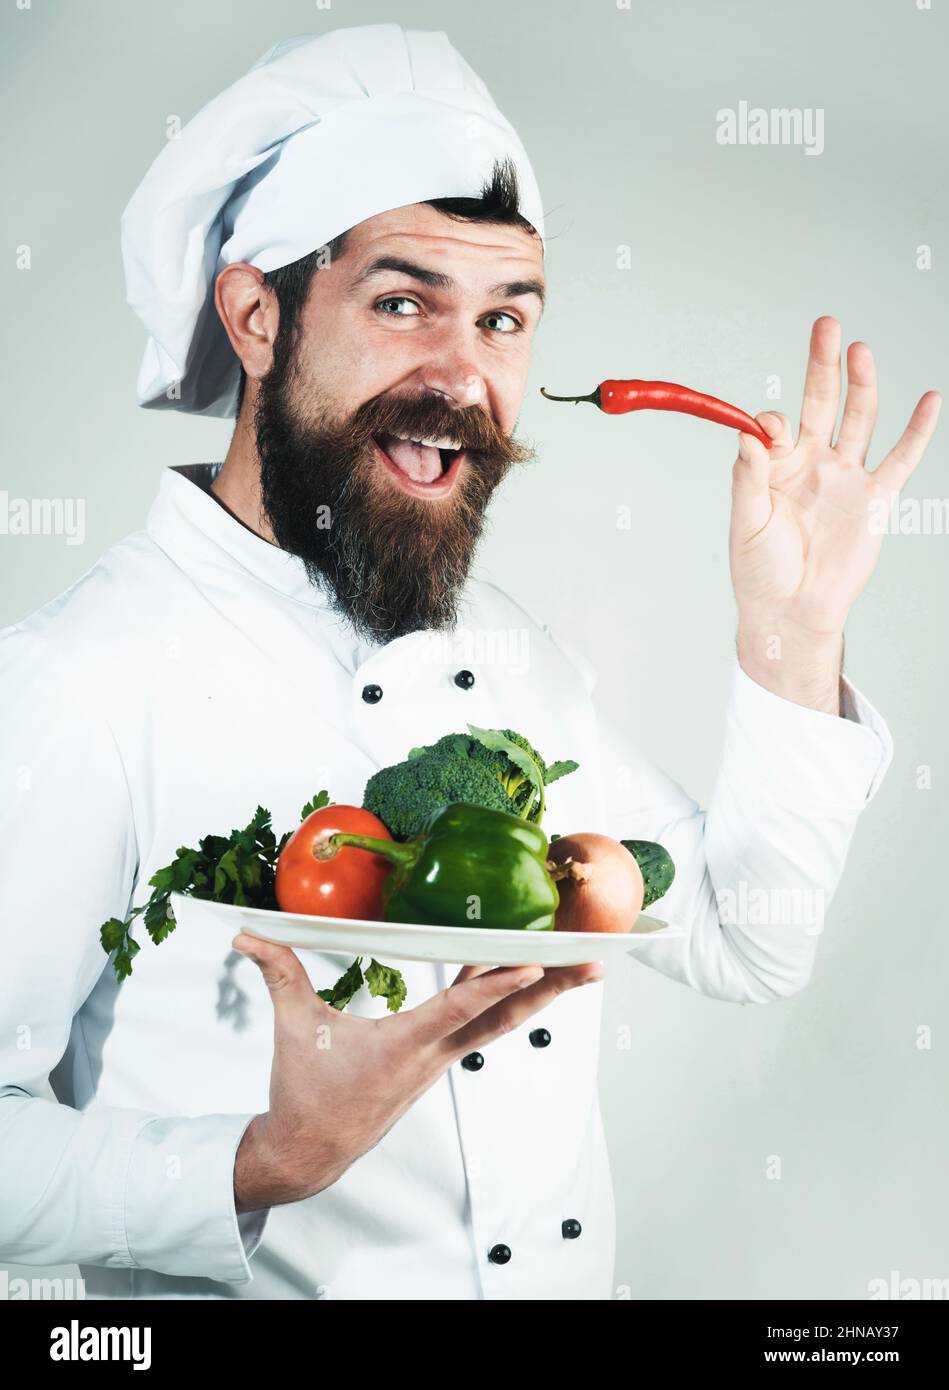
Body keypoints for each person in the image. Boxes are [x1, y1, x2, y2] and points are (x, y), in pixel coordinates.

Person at [0, 23, 939, 1301]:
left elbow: (741, 939)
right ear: (256, 313)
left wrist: (793, 630)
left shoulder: (508, 657)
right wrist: (256, 1162)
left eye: (504, 318)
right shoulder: (78, 681)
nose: (462, 375)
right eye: (402, 303)